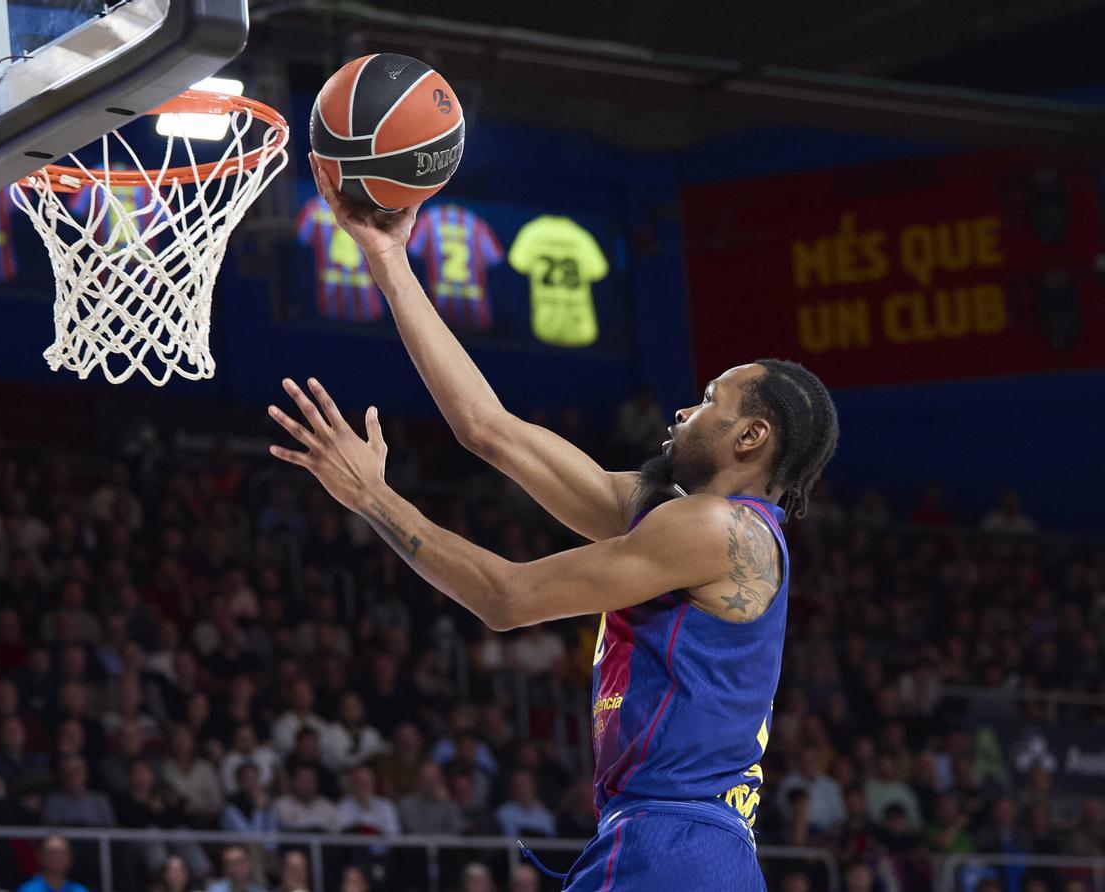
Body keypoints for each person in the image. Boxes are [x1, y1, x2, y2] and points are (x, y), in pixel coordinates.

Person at [267, 155, 840, 891]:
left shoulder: (713, 531)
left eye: (707, 401)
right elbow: (487, 429)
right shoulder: (692, 525)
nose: (684, 412)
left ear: (751, 438)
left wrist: (374, 498)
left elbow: (506, 598)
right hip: (691, 849)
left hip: (670, 845)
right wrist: (386, 256)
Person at [18, 836, 89, 892]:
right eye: (52, 853)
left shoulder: (79, 890)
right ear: (40, 856)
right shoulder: (28, 890)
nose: (58, 858)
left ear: (70, 857)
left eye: (62, 853)